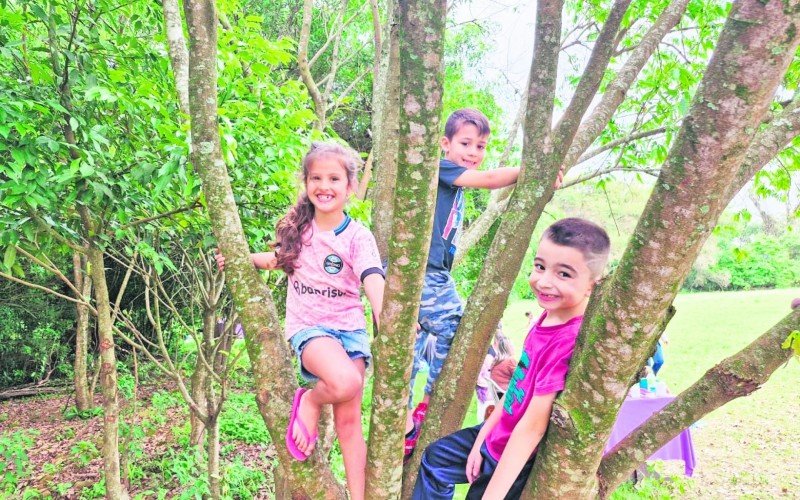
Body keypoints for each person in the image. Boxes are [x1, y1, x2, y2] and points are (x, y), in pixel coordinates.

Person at [215, 142, 384, 500]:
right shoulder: (301, 232)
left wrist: (385, 316)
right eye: (316, 177)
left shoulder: (358, 236)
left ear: (350, 186)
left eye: (334, 178)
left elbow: (372, 277)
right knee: (345, 382)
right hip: (311, 330)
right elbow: (276, 259)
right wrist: (239, 257)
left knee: (350, 423)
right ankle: (309, 400)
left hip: (351, 331)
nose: (325, 185)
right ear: (306, 183)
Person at [412, 217, 610, 499]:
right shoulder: (546, 317)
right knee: (436, 459)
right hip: (497, 436)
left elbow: (532, 427)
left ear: (593, 283)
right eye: (540, 267)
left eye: (563, 274)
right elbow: (516, 386)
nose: (544, 281)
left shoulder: (568, 340)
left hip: (514, 458)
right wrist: (481, 439)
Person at [405, 108, 534, 458]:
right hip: (426, 271)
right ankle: (425, 404)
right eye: (465, 143)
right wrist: (533, 171)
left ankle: (405, 419)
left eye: (480, 146)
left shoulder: (454, 183)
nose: (473, 152)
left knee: (414, 338)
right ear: (445, 144)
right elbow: (492, 179)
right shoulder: (443, 169)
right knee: (455, 327)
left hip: (433, 272)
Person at [475, 327, 515, 421]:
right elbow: (521, 377)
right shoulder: (509, 361)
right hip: (499, 394)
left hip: (495, 393)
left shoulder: (496, 360)